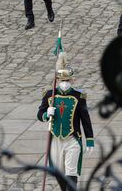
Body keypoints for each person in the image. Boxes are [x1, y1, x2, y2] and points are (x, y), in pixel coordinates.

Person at [37, 53, 94, 191]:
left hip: (72, 138)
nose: (64, 83)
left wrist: (90, 140)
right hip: (55, 139)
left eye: (67, 80)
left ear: (71, 80)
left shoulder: (79, 97)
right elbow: (39, 114)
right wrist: (46, 114)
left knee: (71, 171)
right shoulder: (49, 95)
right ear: (57, 80)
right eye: (62, 80)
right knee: (58, 170)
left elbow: (86, 120)